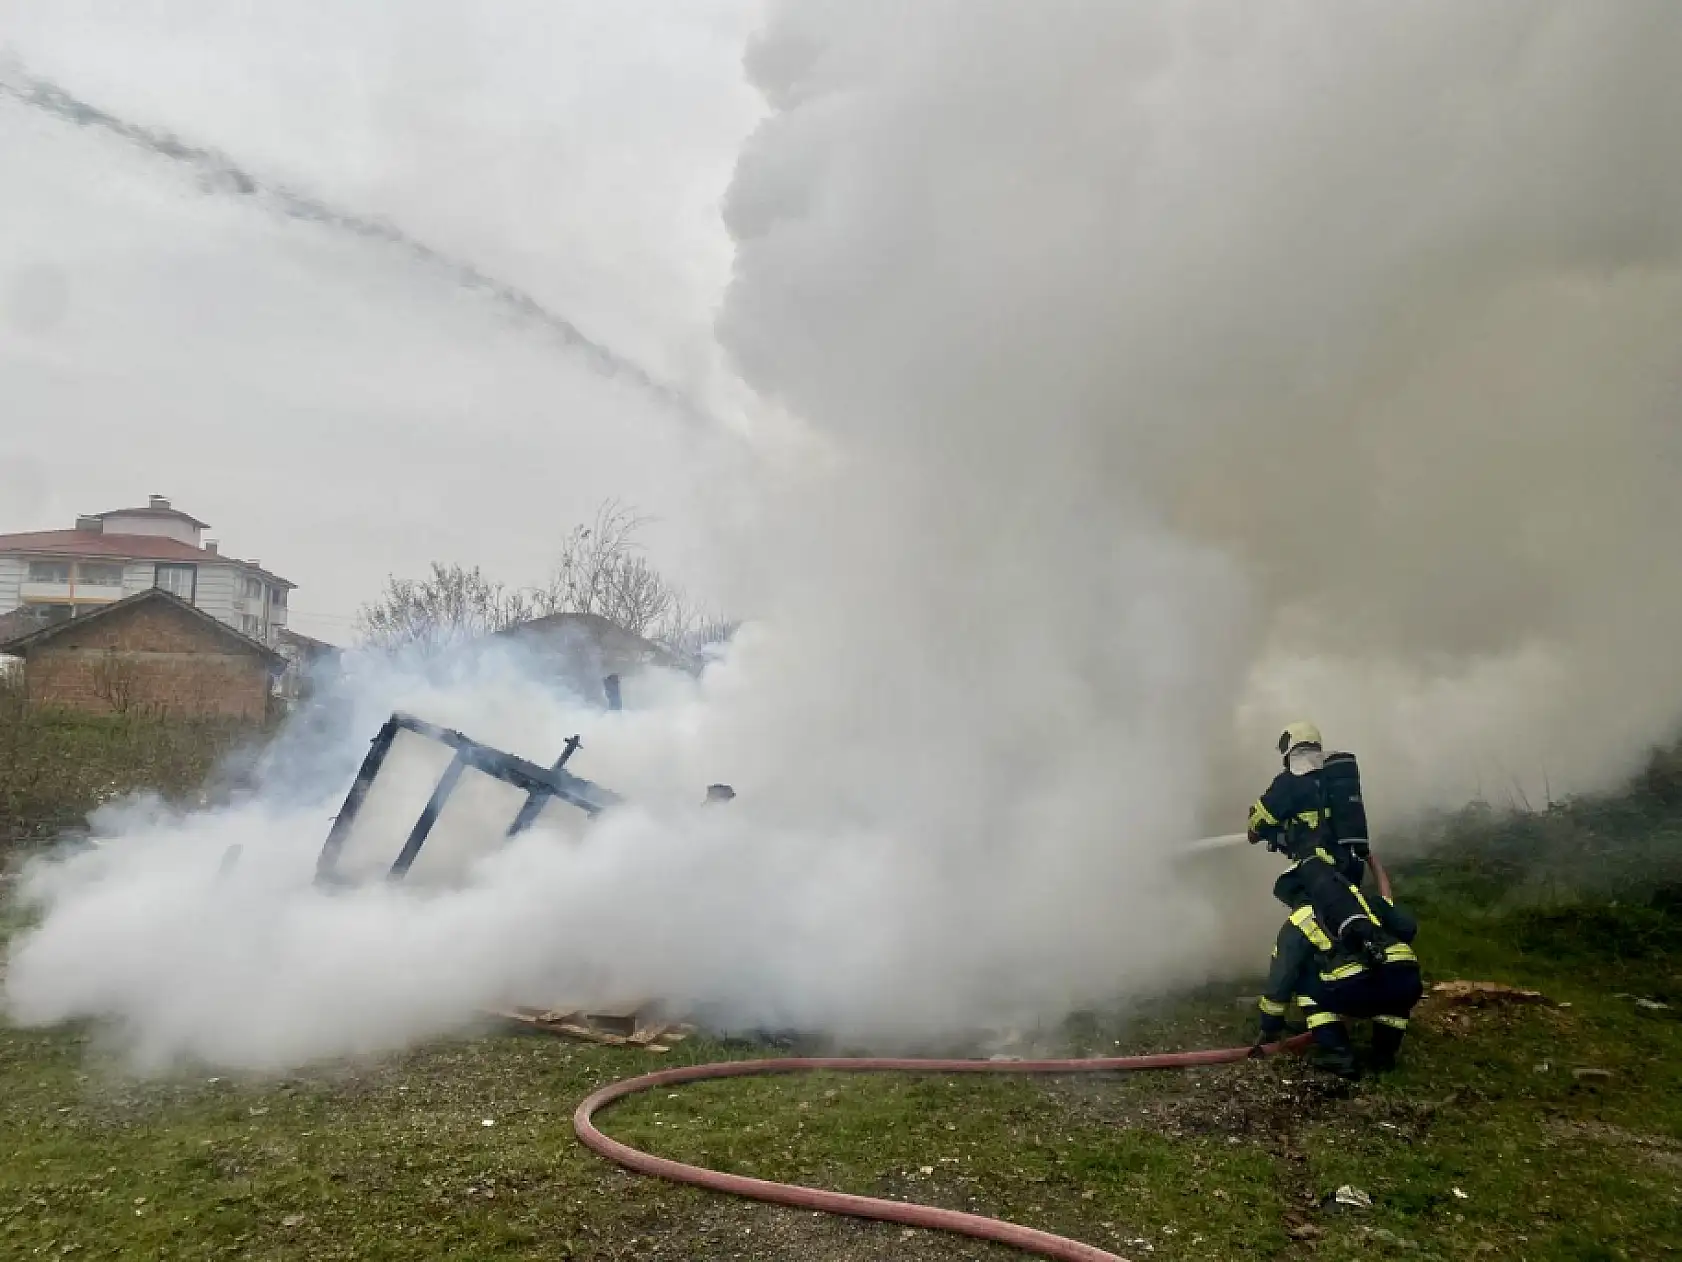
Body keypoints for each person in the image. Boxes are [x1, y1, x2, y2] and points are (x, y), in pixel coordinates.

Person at [1253, 866, 1423, 1078]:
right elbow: (1408, 927)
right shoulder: (1365, 900)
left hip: (1358, 987)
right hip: (1406, 978)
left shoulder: (1301, 918)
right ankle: (1384, 1056)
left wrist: (1270, 1026)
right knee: (1393, 991)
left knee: (1305, 986)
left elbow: (1282, 978)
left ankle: (1338, 1055)